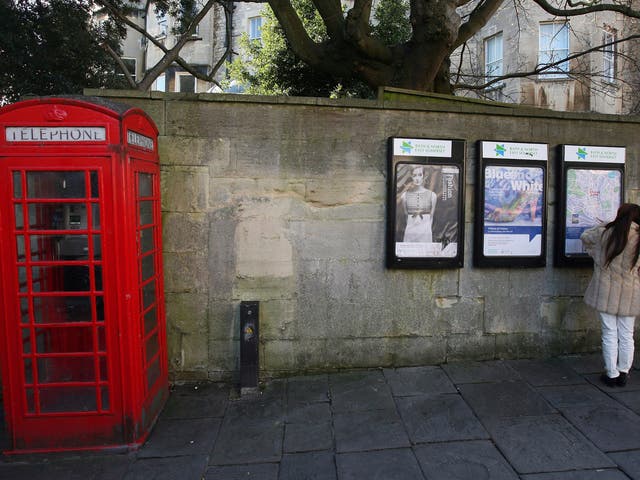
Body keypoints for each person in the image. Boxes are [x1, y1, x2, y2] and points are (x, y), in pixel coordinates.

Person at [581, 203, 640, 387]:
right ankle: (624, 371)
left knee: (609, 332)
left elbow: (585, 237)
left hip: (606, 291)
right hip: (630, 293)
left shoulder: (605, 233)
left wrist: (604, 224)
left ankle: (611, 373)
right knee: (627, 333)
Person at [400, 165, 437, 243]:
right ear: (411, 176)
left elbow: (431, 216)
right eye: (414, 175)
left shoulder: (432, 196)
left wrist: (427, 230)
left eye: (420, 175)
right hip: (410, 231)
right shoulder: (405, 196)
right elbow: (406, 215)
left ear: (424, 176)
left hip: (425, 232)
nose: (417, 178)